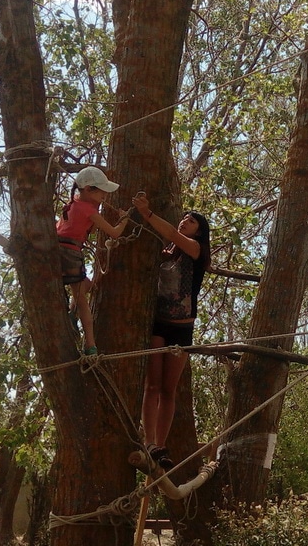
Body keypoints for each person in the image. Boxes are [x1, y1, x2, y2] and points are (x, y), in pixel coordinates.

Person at [132, 192, 211, 470]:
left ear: (199, 231)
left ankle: (160, 445)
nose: (183, 222)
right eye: (183, 219)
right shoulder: (170, 253)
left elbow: (170, 233)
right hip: (159, 324)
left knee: (168, 389)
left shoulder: (195, 249)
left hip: (182, 329)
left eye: (190, 221)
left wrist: (147, 213)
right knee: (151, 385)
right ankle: (150, 441)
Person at [57, 166, 129, 355]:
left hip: (59, 251)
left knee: (87, 285)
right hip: (71, 253)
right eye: (102, 191)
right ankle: (90, 344)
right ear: (89, 189)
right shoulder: (88, 209)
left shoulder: (72, 204)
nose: (105, 195)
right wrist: (125, 219)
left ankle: (72, 314)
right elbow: (114, 232)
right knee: (82, 299)